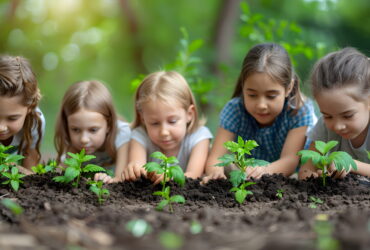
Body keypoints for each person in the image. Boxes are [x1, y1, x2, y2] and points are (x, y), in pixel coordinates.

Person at [203, 43, 316, 183]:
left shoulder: (299, 111)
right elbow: (216, 157)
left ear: (289, 88)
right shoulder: (235, 110)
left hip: (288, 178)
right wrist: (216, 173)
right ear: (243, 86)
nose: (261, 105)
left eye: (271, 96)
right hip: (249, 173)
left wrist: (263, 170)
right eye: (252, 95)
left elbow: (289, 161)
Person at [123, 71, 212, 184]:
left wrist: (168, 178)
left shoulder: (199, 137)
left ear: (189, 114)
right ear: (143, 119)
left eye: (172, 121)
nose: (164, 132)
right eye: (154, 123)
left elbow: (194, 175)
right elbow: (137, 166)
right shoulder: (140, 136)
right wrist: (134, 169)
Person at [299, 47, 370, 180]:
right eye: (327, 116)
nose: (337, 126)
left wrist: (351, 165)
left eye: (347, 115)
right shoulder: (323, 126)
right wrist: (317, 177)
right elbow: (306, 170)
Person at [54, 80, 131, 183]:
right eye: (76, 129)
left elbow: (120, 178)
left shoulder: (121, 134)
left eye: (93, 130)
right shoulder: (71, 141)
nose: (84, 139)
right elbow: (60, 173)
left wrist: (110, 180)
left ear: (109, 124)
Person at [0, 55, 45, 171]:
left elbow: (30, 175)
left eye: (12, 118)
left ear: (30, 107)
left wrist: (11, 168)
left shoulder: (35, 122)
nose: (1, 127)